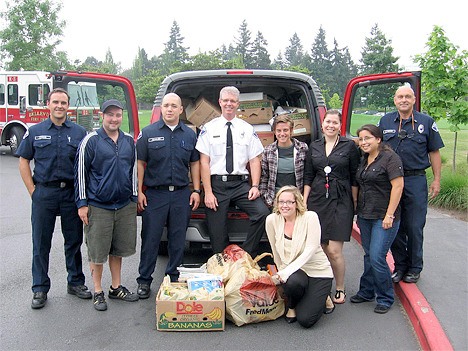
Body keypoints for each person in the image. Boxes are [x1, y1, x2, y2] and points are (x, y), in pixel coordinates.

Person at [17, 88, 91, 309]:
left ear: (69, 106)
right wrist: (33, 191)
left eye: (64, 102)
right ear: (48, 104)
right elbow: (23, 161)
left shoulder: (79, 133)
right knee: (41, 243)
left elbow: (86, 165)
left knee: (73, 241)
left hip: (71, 193)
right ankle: (40, 288)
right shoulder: (35, 131)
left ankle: (75, 282)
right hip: (45, 193)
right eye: (55, 102)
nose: (60, 106)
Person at [75, 99, 139, 311]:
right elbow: (81, 174)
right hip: (98, 205)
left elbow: (133, 172)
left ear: (122, 117)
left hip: (123, 205)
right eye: (110, 114)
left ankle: (115, 287)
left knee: (117, 249)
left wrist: (134, 197)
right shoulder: (91, 141)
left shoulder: (129, 141)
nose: (114, 119)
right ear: (102, 116)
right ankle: (98, 291)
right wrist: (82, 203)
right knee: (97, 251)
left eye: (118, 115)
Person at [136, 93, 200, 299]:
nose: (170, 109)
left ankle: (173, 276)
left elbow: (195, 163)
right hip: (155, 195)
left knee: (177, 239)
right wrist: (139, 191)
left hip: (181, 194)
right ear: (161, 109)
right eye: (166, 106)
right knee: (151, 238)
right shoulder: (147, 133)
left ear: (181, 110)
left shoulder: (190, 135)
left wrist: (196, 190)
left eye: (174, 106)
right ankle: (144, 280)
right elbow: (140, 164)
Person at [379, 85, 444, 284]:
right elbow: (376, 147)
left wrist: (437, 180)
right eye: (400, 97)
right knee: (395, 225)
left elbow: (434, 152)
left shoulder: (426, 122)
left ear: (414, 99)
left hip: (415, 180)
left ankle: (415, 267)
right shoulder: (385, 121)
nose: (404, 100)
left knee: (415, 226)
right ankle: (400, 266)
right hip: (391, 181)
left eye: (408, 96)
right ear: (395, 100)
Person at [196, 86, 270, 257]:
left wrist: (255, 186)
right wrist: (207, 192)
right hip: (217, 186)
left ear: (238, 104)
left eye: (233, 101)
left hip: (240, 185)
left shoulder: (247, 129)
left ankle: (244, 255)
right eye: (226, 100)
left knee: (262, 213)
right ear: (220, 102)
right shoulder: (209, 128)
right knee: (217, 233)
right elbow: (204, 162)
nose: (229, 104)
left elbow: (254, 160)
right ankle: (223, 266)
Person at [303, 109, 360, 305]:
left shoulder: (349, 146)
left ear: (340, 126)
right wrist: (304, 201)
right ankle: (322, 288)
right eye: (328, 122)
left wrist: (355, 204)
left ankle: (340, 287)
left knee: (334, 250)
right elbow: (308, 176)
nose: (331, 126)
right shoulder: (315, 146)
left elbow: (354, 177)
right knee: (318, 248)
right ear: (323, 124)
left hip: (341, 199)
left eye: (335, 123)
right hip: (317, 199)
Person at [350, 124, 404, 314]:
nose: (364, 142)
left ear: (378, 139)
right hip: (365, 215)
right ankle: (366, 291)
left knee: (377, 256)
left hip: (384, 217)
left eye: (368, 138)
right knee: (368, 255)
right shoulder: (364, 159)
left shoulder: (390, 158)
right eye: (361, 139)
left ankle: (385, 297)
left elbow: (398, 186)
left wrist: (389, 215)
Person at [266, 186, 334, 328]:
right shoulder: (272, 220)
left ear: (297, 203)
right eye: (281, 201)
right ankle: (292, 305)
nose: (285, 205)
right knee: (292, 283)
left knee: (306, 320)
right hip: (295, 272)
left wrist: (286, 272)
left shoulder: (310, 217)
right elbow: (275, 251)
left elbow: (310, 250)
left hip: (317, 270)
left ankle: (324, 295)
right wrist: (281, 273)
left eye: (290, 202)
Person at [260, 114, 308, 208]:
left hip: (296, 199)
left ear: (291, 130)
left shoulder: (302, 148)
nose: (282, 134)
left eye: (285, 130)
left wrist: (303, 200)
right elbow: (264, 177)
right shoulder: (268, 150)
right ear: (274, 131)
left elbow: (307, 176)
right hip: (275, 199)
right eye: (278, 130)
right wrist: (266, 199)